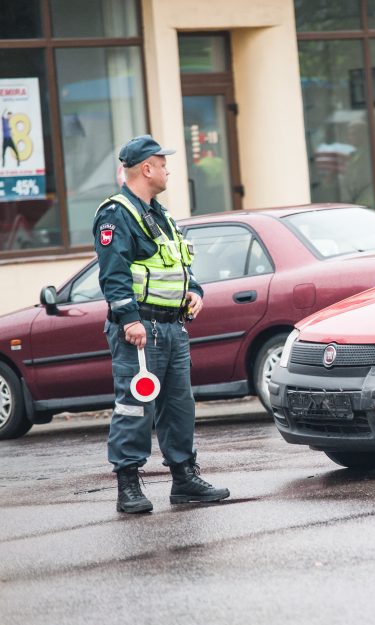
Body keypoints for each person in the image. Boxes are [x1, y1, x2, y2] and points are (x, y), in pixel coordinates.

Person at [94, 135, 229, 514]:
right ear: (146, 169)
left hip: (171, 328)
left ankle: (184, 479)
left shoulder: (161, 214)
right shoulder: (116, 213)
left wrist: (195, 291)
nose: (168, 168)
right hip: (141, 331)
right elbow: (114, 273)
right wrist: (129, 319)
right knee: (136, 407)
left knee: (179, 406)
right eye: (162, 162)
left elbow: (177, 264)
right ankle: (128, 485)